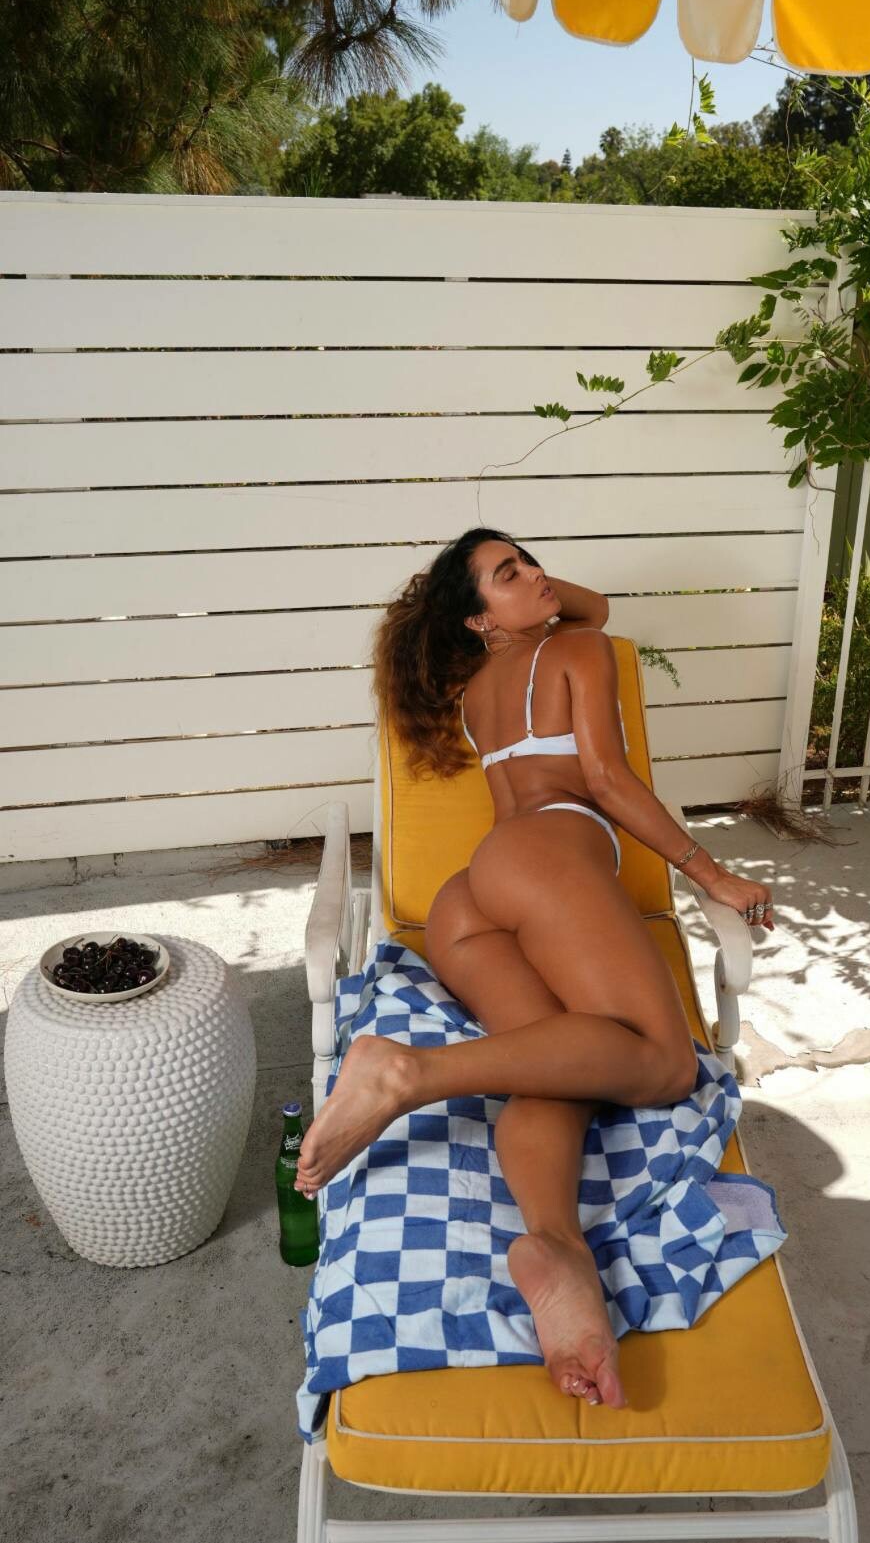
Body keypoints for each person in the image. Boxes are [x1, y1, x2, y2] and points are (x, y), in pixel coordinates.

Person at [295, 527, 774, 1412]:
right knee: (664, 1062)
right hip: (547, 859)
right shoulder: (579, 650)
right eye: (509, 574)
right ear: (478, 618)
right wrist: (713, 875)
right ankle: (407, 1073)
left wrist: (513, 592)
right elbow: (608, 779)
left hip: (469, 900)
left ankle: (554, 1245)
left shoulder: (478, 689)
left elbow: (579, 602)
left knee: (556, 1062)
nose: (540, 577)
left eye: (532, 560)